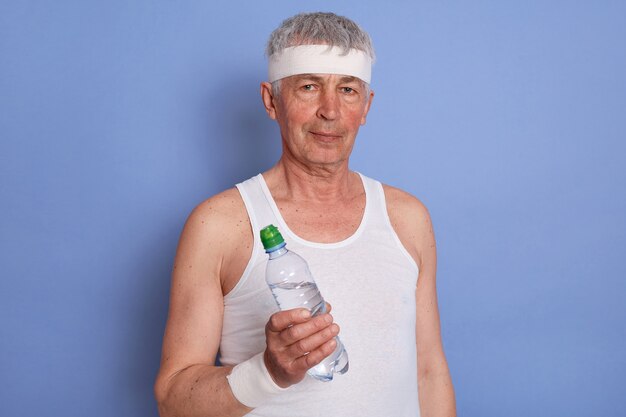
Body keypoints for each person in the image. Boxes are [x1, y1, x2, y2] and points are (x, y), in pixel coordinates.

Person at [154, 12, 456, 417]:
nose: (329, 111)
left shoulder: (407, 218)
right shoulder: (220, 225)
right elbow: (173, 399)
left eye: (348, 90)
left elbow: (429, 373)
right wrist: (268, 371)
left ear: (366, 106)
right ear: (271, 101)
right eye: (309, 87)